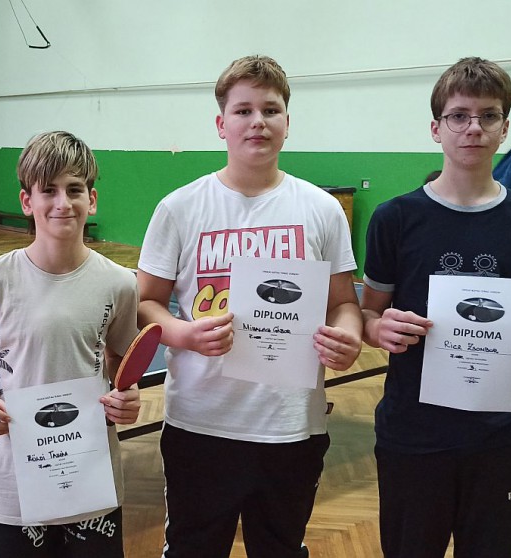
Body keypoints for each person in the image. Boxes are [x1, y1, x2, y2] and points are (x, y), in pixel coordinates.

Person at [137, 55, 362, 558]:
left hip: (291, 425)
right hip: (201, 422)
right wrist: (184, 334)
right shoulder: (180, 208)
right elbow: (146, 303)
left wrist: (347, 337)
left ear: (287, 122)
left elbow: (345, 303)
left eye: (270, 110)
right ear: (221, 124)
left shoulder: (322, 210)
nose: (257, 121)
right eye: (243, 111)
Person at [360, 57, 511, 557]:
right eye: (459, 115)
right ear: (436, 128)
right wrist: (379, 330)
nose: (473, 128)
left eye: (488, 115)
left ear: (505, 127)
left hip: (502, 435)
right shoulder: (395, 218)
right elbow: (370, 314)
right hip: (414, 433)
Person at [0, 130, 142, 557]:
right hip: (13, 471)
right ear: (27, 202)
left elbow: (120, 357)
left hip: (91, 470)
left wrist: (126, 393)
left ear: (91, 199)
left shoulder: (119, 283)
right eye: (48, 191)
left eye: (74, 190)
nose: (63, 202)